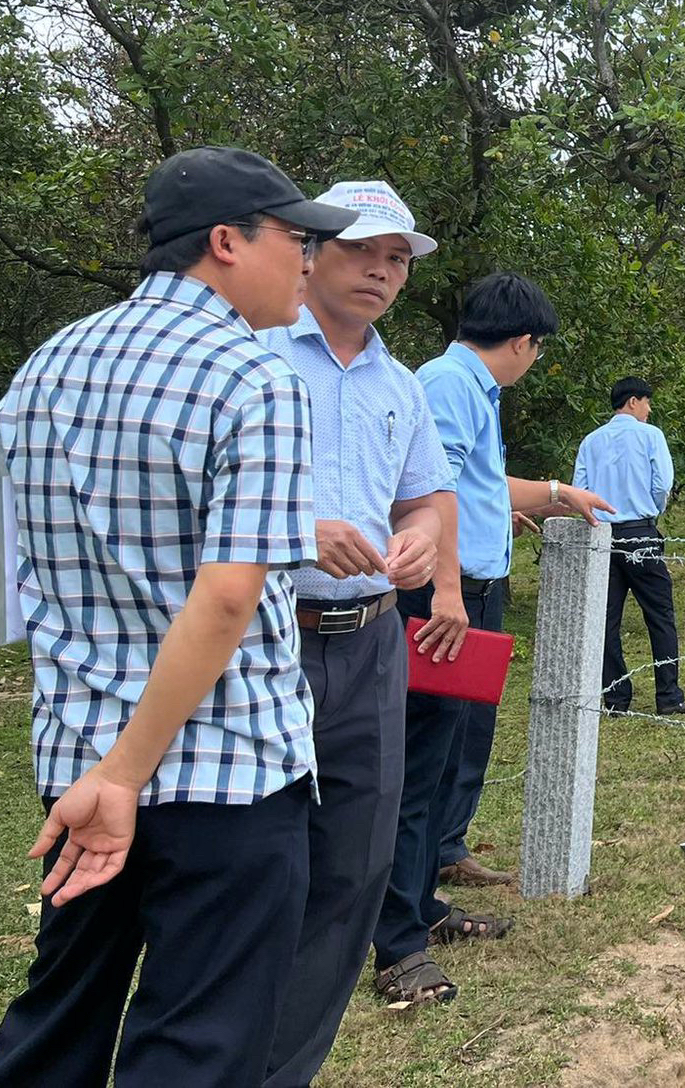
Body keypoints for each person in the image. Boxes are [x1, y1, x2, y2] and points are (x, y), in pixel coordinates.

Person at [0, 147, 356, 1088]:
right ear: (226, 243)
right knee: (198, 1043)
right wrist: (128, 775)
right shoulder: (256, 379)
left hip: (78, 759)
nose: (309, 263)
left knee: (57, 1020)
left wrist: (103, 774)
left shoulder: (46, 363)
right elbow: (228, 595)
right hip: (222, 774)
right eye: (297, 240)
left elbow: (20, 563)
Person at [258, 181, 467, 1079]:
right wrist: (296, 533)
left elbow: (427, 495)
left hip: (375, 641)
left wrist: (421, 541)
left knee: (354, 865)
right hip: (263, 639)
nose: (382, 271)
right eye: (363, 251)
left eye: (397, 260)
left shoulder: (400, 384)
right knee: (258, 865)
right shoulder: (250, 354)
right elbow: (187, 501)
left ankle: (283, 1068)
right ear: (310, 250)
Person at [372, 274, 611, 1005]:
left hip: (468, 590)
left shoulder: (469, 388)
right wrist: (447, 588)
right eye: (537, 350)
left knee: (450, 756)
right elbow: (424, 491)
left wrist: (555, 494)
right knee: (418, 768)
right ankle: (397, 938)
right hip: (447, 599)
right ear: (522, 342)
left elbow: (469, 485)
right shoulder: (448, 384)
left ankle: (425, 904)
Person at [576, 376, 685, 715]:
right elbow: (662, 484)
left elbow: (579, 490)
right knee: (660, 615)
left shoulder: (591, 442)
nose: (649, 409)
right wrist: (651, 509)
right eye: (646, 402)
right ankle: (668, 696)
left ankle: (616, 698)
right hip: (640, 533)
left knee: (606, 619)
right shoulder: (650, 436)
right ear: (632, 401)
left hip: (601, 537)